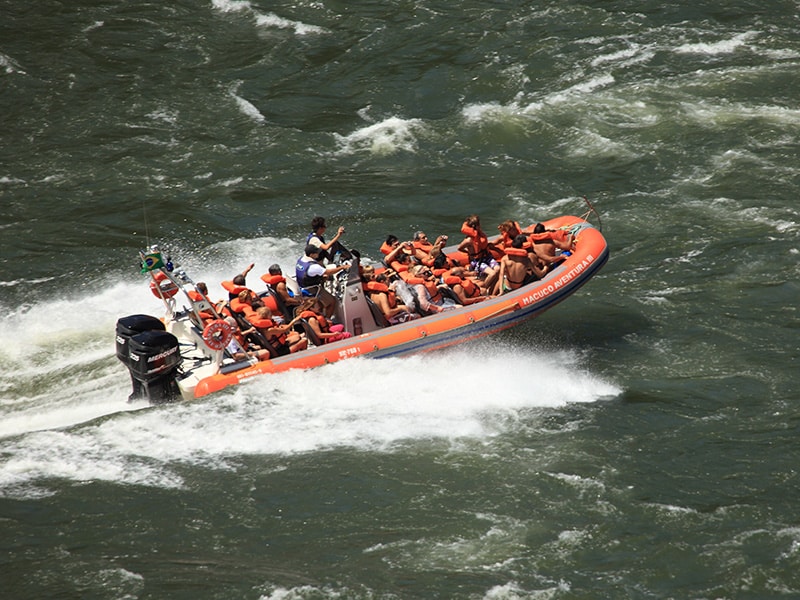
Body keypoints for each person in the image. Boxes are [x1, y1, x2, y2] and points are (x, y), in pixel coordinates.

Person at [295, 244, 348, 317]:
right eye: (316, 252)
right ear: (311, 254)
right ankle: (327, 320)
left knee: (325, 277)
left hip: (302, 285)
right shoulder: (313, 266)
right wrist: (342, 267)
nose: (318, 253)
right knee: (332, 301)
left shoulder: (301, 259)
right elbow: (329, 272)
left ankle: (323, 308)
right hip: (312, 289)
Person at [457, 214, 500, 292]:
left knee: (498, 269)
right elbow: (460, 248)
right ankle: (483, 290)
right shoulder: (469, 240)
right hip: (477, 261)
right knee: (492, 273)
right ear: (476, 226)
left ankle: (492, 289)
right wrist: (470, 253)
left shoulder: (480, 234)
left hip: (487, 257)